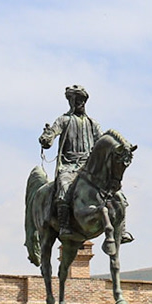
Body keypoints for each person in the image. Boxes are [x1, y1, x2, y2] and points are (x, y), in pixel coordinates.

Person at [37, 85, 100, 226]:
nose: (80, 103)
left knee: (113, 191)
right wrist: (46, 138)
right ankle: (64, 225)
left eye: (82, 100)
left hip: (88, 167)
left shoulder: (92, 124)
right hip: (69, 165)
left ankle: (120, 229)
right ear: (71, 102)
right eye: (76, 100)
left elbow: (101, 142)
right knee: (64, 187)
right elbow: (51, 135)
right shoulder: (63, 120)